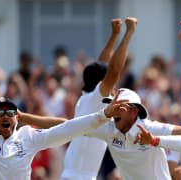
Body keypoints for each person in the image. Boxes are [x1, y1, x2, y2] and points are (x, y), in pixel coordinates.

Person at [20, 88, 181, 180]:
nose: (114, 110)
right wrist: (25, 117)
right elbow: (66, 125)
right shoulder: (108, 129)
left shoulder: (150, 128)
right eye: (112, 106)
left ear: (134, 111)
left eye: (120, 107)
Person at [57, 17, 136, 180]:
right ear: (102, 82)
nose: (114, 85)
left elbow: (102, 64)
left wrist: (114, 35)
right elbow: (113, 70)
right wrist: (129, 33)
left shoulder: (87, 98)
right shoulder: (96, 99)